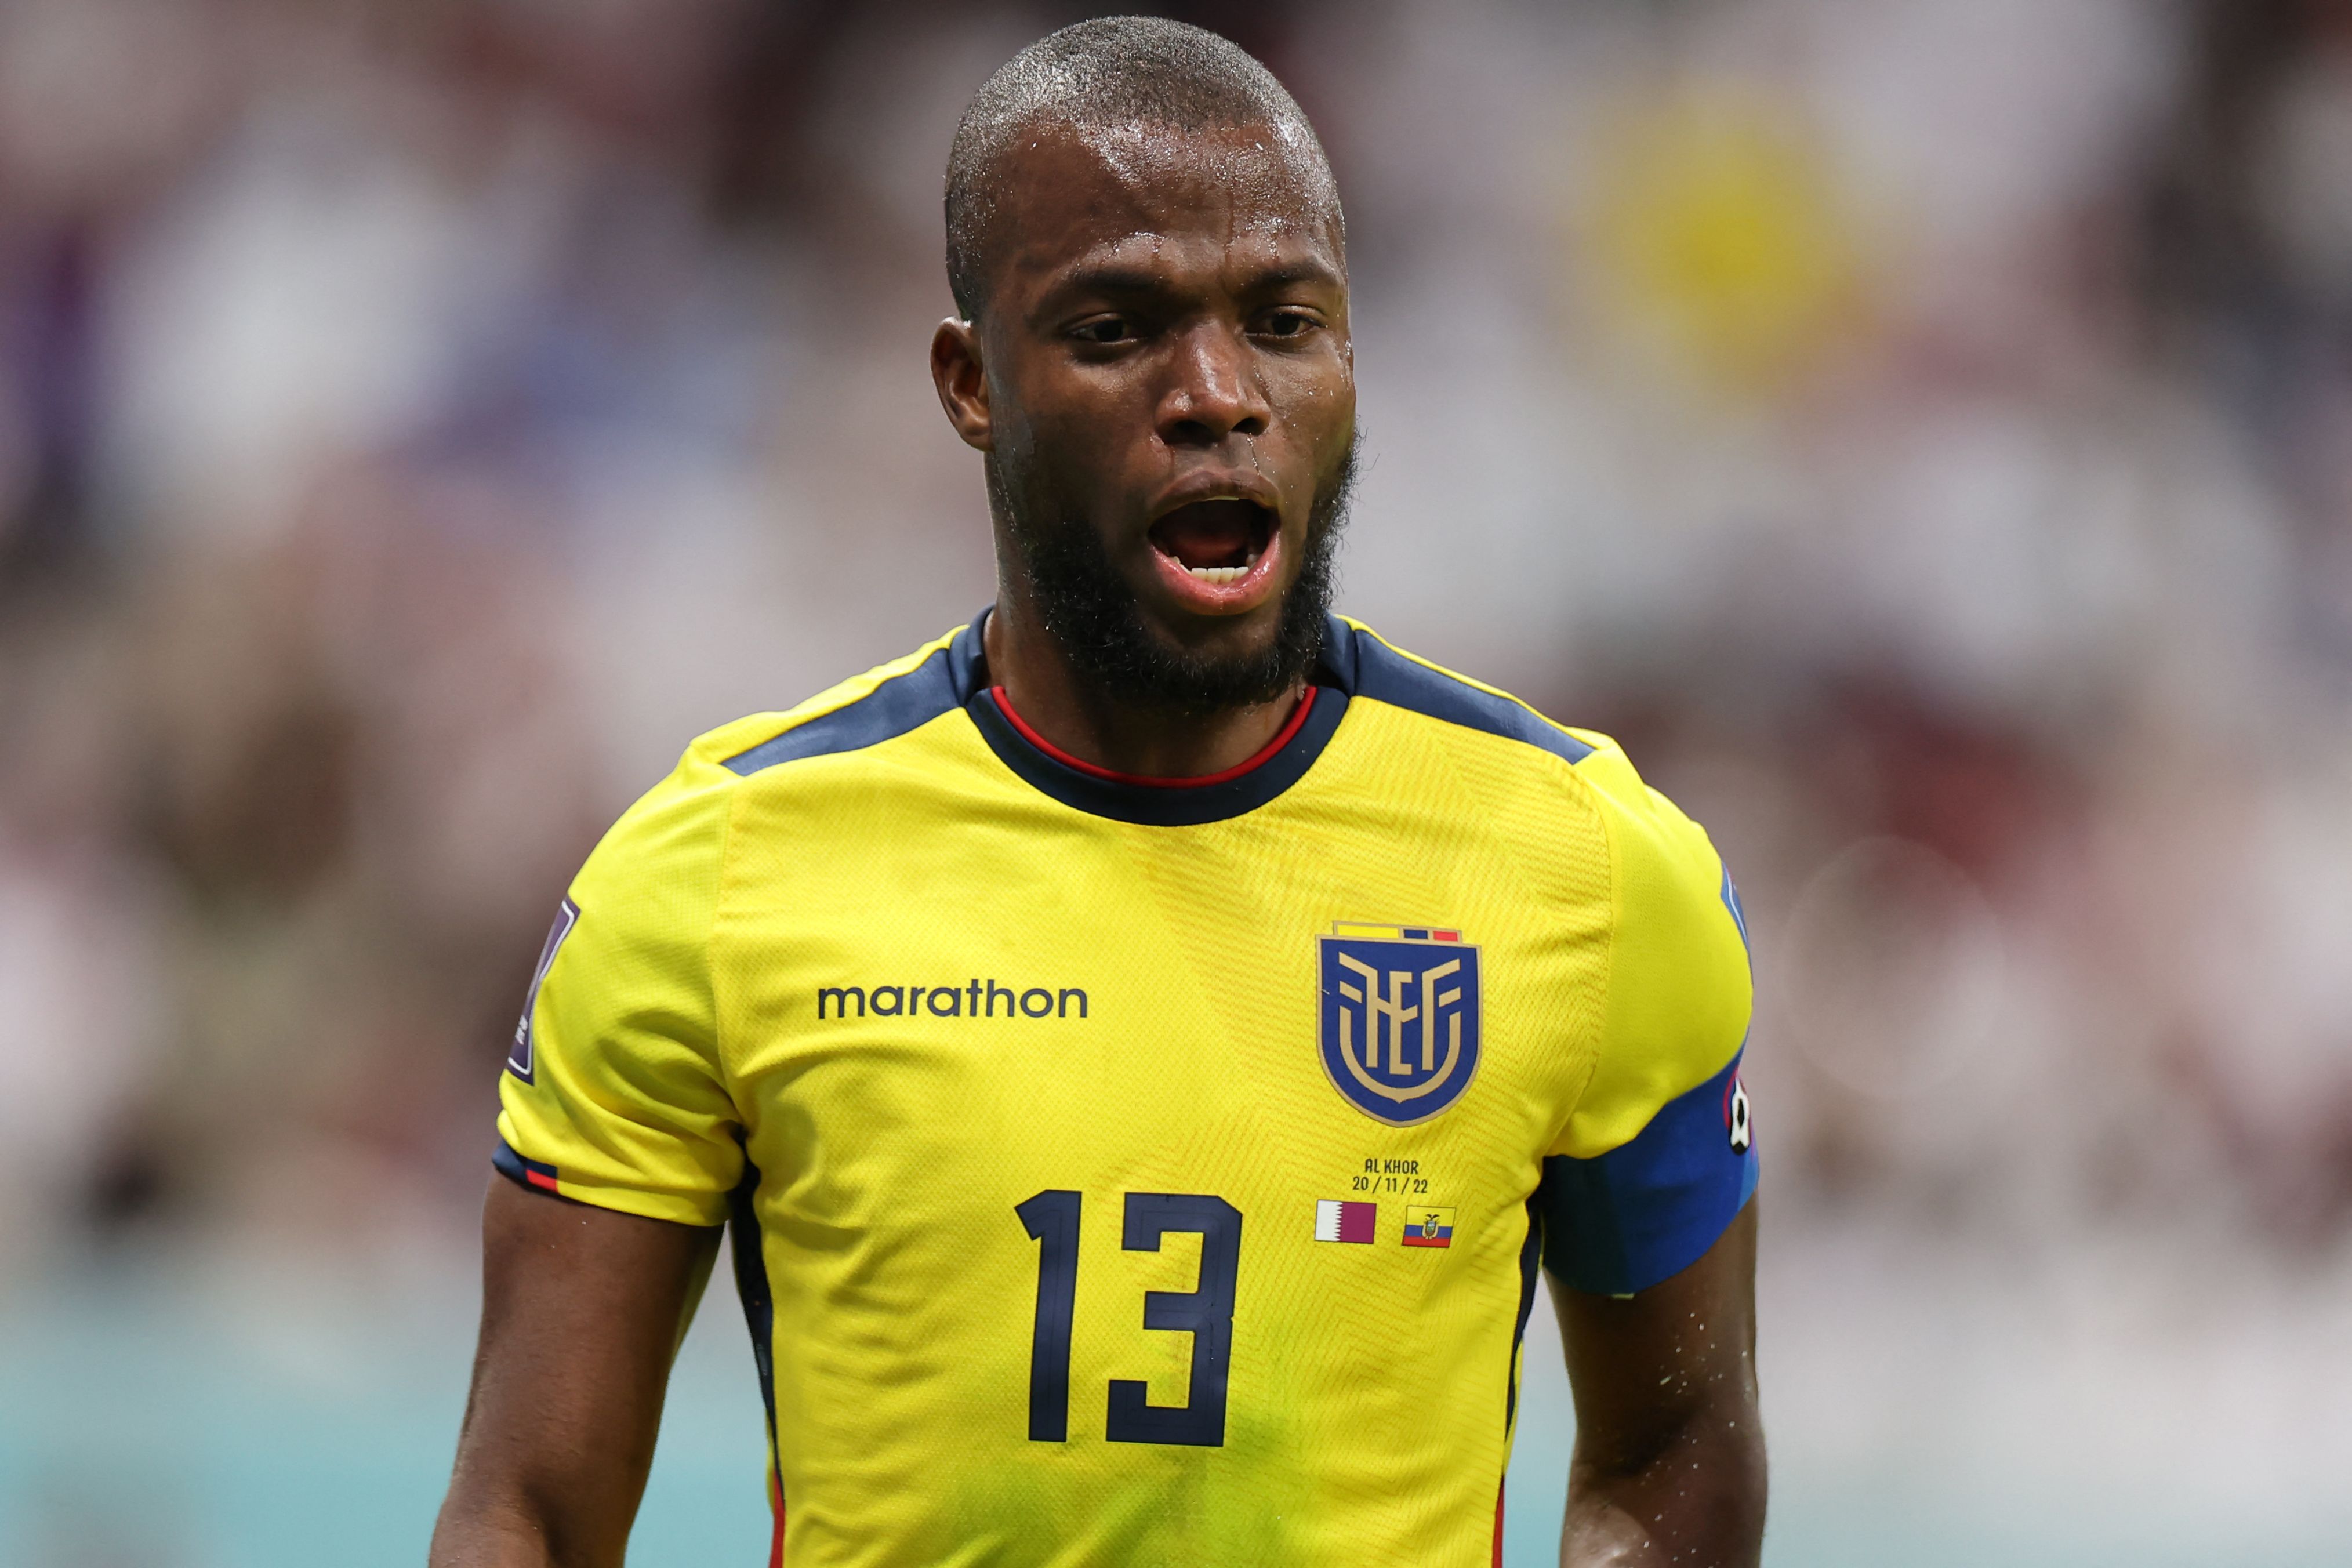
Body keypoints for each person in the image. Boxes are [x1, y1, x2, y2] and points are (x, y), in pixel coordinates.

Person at [430, 17, 1763, 1567]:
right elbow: (527, 1509)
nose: (1217, 392)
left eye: (1282, 320)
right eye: (1120, 327)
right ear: (970, 381)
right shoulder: (716, 880)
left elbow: (1677, 1454)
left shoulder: (1592, 873)